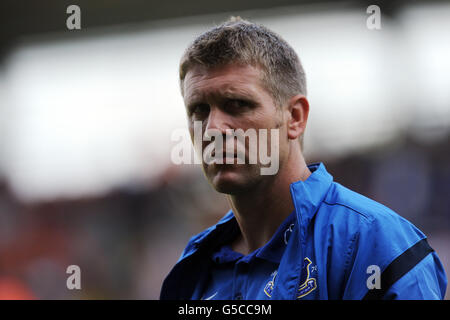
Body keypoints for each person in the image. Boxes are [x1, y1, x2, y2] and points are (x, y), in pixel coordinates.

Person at [160, 17, 447, 300]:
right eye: (199, 110)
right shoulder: (195, 269)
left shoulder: (374, 243)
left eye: (237, 105)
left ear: (295, 117)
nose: (213, 129)